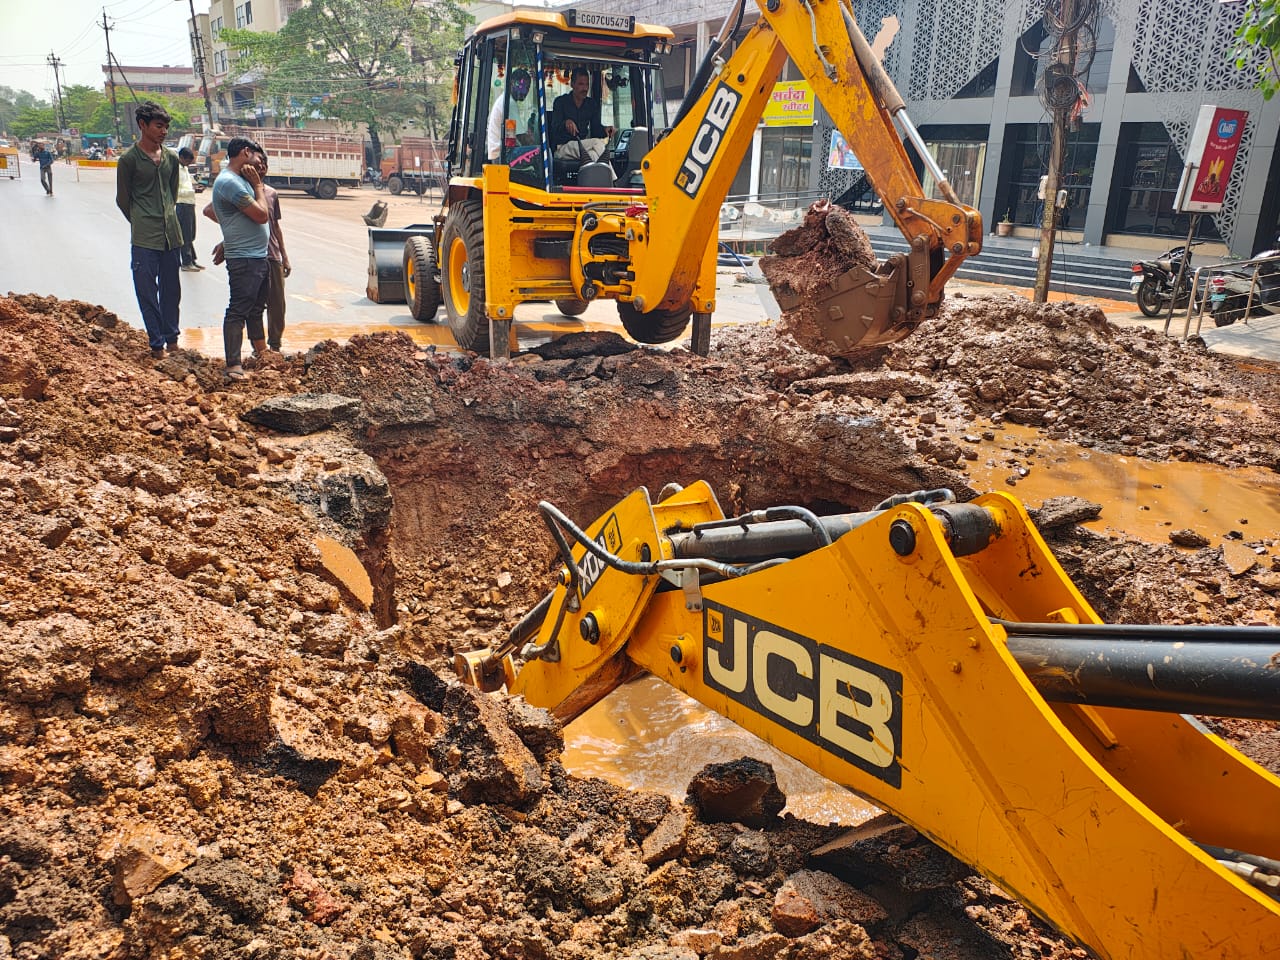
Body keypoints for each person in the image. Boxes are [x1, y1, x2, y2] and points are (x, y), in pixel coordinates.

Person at [114, 101, 184, 358]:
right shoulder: (129, 160)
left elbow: (172, 193)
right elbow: (123, 199)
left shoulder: (171, 158)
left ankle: (172, 338)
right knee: (146, 290)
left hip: (171, 235)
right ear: (142, 125)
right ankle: (157, 343)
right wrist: (141, 221)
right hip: (144, 238)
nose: (163, 131)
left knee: (171, 290)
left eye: (166, 127)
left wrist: (165, 216)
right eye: (158, 126)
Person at [209, 138, 270, 381]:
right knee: (238, 310)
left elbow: (235, 216)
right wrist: (257, 185)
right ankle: (233, 363)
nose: (259, 163)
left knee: (255, 309)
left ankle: (261, 353)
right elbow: (261, 215)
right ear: (245, 152)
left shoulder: (237, 182)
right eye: (257, 157)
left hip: (257, 256)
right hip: (245, 259)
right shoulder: (230, 182)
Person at [258, 154, 290, 351]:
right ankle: (258, 345)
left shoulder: (271, 193)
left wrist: (284, 256)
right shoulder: (243, 192)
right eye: (257, 164)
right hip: (251, 257)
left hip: (273, 255)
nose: (261, 168)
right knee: (254, 305)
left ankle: (275, 344)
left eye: (264, 165)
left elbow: (275, 226)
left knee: (277, 304)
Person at [550, 67, 614, 162]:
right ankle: (613, 177)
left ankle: (604, 177)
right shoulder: (560, 102)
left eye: (587, 84)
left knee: (593, 155)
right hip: (562, 147)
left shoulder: (591, 104)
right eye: (581, 84)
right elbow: (554, 128)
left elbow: (596, 130)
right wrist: (565, 123)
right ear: (572, 84)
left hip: (582, 146)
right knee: (596, 143)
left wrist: (606, 130)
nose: (585, 88)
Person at [176, 147, 203, 272]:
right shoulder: (175, 170)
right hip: (182, 203)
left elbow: (187, 185)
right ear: (181, 158)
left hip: (190, 203)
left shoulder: (185, 169)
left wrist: (195, 188)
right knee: (185, 234)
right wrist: (192, 191)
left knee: (191, 234)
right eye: (187, 161)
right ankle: (186, 262)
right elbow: (175, 190)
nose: (189, 164)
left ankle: (192, 259)